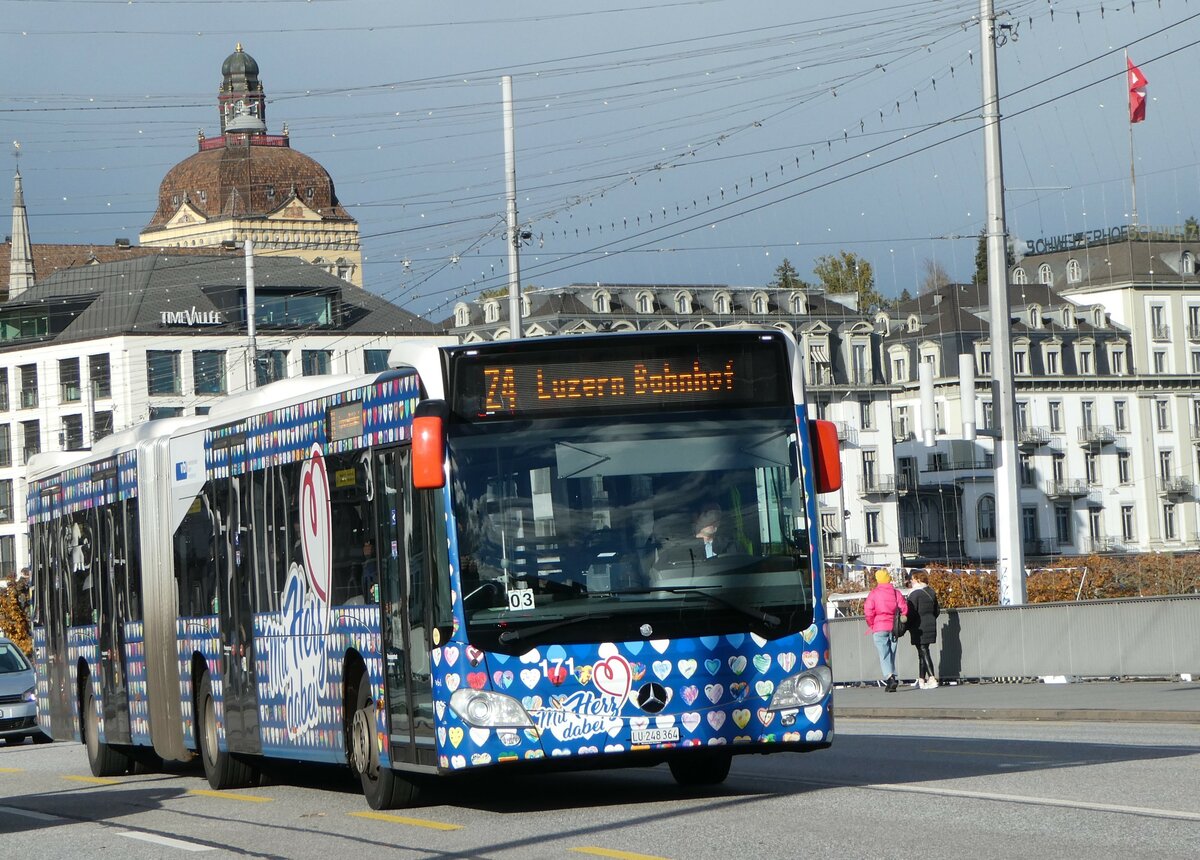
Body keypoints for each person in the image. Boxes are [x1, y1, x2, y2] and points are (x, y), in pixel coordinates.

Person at [863, 568, 907, 692]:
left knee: (884, 654)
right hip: (894, 627)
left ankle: (890, 678)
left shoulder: (874, 593)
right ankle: (891, 679)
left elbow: (868, 611)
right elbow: (904, 607)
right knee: (891, 653)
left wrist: (872, 624)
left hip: (879, 626)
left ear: (878, 580)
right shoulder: (895, 592)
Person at [906, 572, 941, 688]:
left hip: (918, 626)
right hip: (930, 624)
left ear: (918, 580)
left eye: (913, 579)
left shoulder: (914, 594)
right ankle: (921, 679)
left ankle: (931, 677)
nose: (911, 581)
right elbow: (937, 610)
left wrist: (906, 625)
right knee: (922, 651)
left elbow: (911, 612)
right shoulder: (931, 592)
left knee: (923, 650)